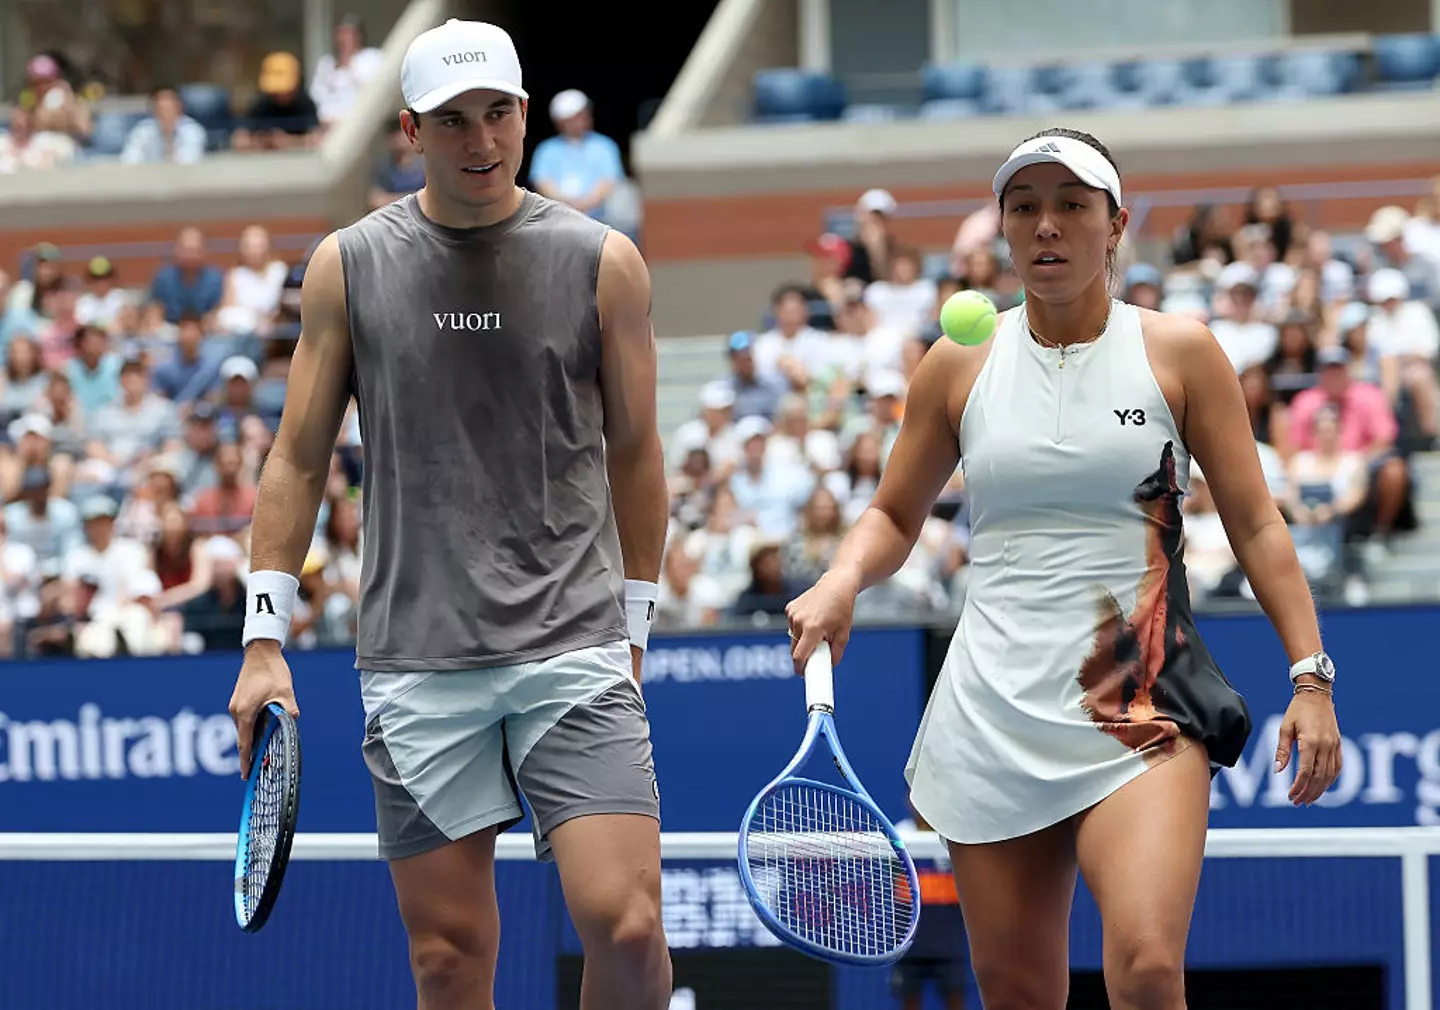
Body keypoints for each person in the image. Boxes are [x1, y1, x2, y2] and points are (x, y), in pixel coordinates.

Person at [784, 128, 1343, 1010]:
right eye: (1025, 207)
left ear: (1116, 224)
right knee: (1016, 993)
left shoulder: (1180, 352)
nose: (1047, 226)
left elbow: (1259, 525)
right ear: (1003, 228)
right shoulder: (957, 363)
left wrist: (1310, 677)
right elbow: (894, 512)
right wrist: (843, 577)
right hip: (991, 709)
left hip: (1142, 702)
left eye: (1072, 206)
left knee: (1149, 969)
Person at [226, 18, 673, 1010]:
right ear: (410, 131)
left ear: (525, 113)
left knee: (630, 925)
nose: (481, 142)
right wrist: (264, 638)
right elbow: (297, 455)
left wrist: (634, 618)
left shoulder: (605, 261)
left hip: (572, 642)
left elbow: (637, 453)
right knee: (447, 960)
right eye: (455, 121)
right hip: (416, 658)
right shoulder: (347, 264)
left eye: (500, 114)